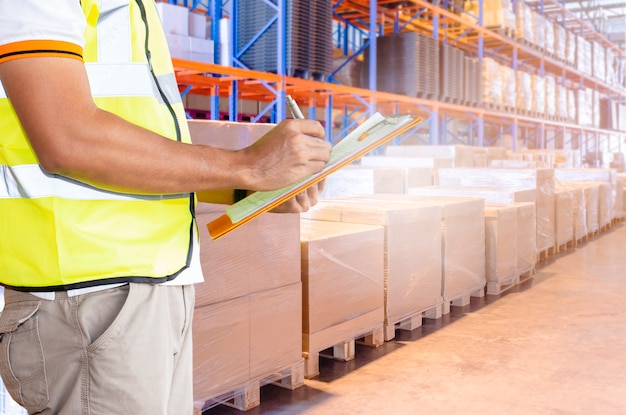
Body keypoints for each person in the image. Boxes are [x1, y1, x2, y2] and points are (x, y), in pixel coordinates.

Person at [0, 1, 331, 414]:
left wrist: (246, 187)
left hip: (149, 289)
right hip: (90, 298)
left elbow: (149, 148)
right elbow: (66, 137)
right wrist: (248, 166)